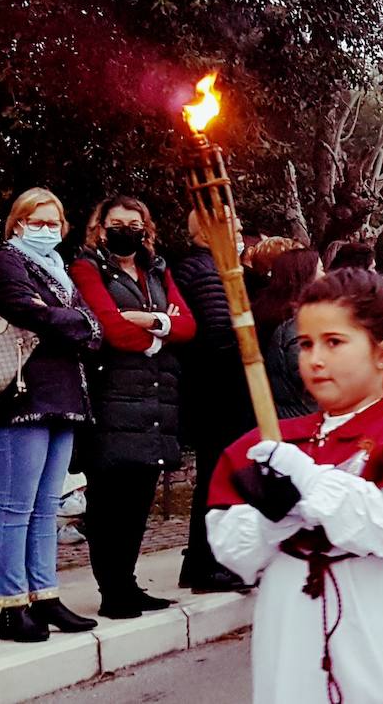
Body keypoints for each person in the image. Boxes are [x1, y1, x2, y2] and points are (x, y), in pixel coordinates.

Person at [207, 268, 383, 703]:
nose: (315, 359)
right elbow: (234, 551)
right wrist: (276, 519)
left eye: (334, 342)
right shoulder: (270, 443)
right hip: (289, 608)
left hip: (376, 607)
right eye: (306, 344)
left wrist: (309, 483)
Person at [69, 197, 196, 617]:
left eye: (135, 223)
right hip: (111, 397)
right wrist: (163, 325)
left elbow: (188, 325)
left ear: (147, 228)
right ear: (101, 228)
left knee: (139, 498)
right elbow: (109, 328)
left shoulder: (157, 269)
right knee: (109, 501)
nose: (127, 230)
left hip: (156, 399)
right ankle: (113, 591)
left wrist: (150, 322)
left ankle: (129, 582)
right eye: (118, 223)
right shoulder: (86, 269)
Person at [0, 189, 100, 641]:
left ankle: (45, 595)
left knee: (46, 507)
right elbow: (23, 307)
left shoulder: (58, 269)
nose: (44, 230)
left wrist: (65, 318)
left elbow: (93, 326)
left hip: (66, 392)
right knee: (14, 505)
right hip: (24, 394)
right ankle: (10, 603)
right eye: (34, 221)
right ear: (17, 223)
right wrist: (73, 321)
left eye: (52, 222)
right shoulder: (7, 259)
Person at [174, 212, 261, 594]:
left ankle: (202, 562)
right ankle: (207, 564)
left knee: (214, 474)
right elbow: (221, 334)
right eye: (236, 228)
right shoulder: (209, 272)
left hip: (211, 390)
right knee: (217, 475)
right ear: (209, 234)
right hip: (220, 391)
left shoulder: (209, 269)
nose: (242, 235)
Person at [259, 249, 324, 420]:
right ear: (306, 276)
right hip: (300, 418)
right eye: (321, 269)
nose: (326, 275)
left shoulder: (278, 314)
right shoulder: (296, 326)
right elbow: (312, 376)